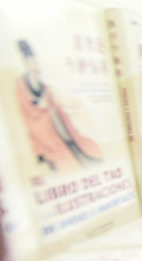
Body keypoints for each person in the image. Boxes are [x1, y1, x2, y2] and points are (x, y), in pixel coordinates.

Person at [16, 39, 101, 171]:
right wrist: (39, 105)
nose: (33, 65)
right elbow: (25, 105)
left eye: (34, 62)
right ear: (26, 63)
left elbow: (47, 92)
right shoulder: (21, 82)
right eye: (30, 62)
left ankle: (74, 145)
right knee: (48, 122)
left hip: (48, 110)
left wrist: (49, 99)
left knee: (59, 114)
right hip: (36, 118)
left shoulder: (38, 77)